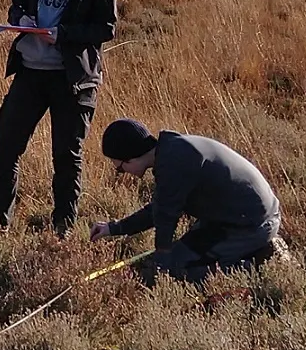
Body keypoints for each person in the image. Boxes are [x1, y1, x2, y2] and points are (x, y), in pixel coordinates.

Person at [0, 0, 118, 236]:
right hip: (30, 73)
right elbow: (17, 3)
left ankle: (63, 231)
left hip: (74, 80)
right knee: (5, 148)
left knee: (66, 156)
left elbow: (107, 28)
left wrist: (63, 35)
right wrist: (21, 20)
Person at [89, 120, 280, 281]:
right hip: (230, 219)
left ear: (131, 158)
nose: (122, 173)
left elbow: (165, 218)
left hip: (252, 225)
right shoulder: (172, 150)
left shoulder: (175, 162)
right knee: (179, 256)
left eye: (120, 168)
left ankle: (259, 264)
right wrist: (114, 228)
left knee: (179, 273)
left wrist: (162, 266)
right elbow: (161, 208)